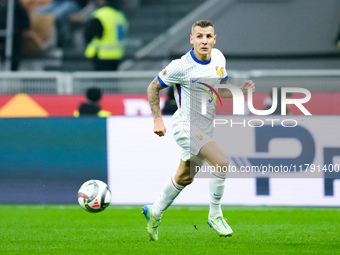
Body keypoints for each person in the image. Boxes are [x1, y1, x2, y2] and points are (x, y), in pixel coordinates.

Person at [142, 20, 255, 241]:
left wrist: (239, 91)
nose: (204, 41)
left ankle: (154, 212)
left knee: (185, 177)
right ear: (191, 39)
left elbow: (220, 90)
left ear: (215, 39)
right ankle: (215, 215)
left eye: (208, 36)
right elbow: (153, 86)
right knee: (221, 161)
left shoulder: (219, 58)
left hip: (205, 128)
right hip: (186, 127)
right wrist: (157, 119)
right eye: (200, 36)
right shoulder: (181, 66)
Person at [84, 0, 128, 71]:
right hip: (117, 55)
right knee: (111, 80)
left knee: (100, 80)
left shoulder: (101, 14)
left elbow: (88, 34)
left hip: (102, 55)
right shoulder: (119, 15)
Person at [0, 0, 30, 70]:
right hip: (3, 34)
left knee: (13, 55)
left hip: (14, 34)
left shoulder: (15, 3)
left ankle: (13, 72)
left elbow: (25, 19)